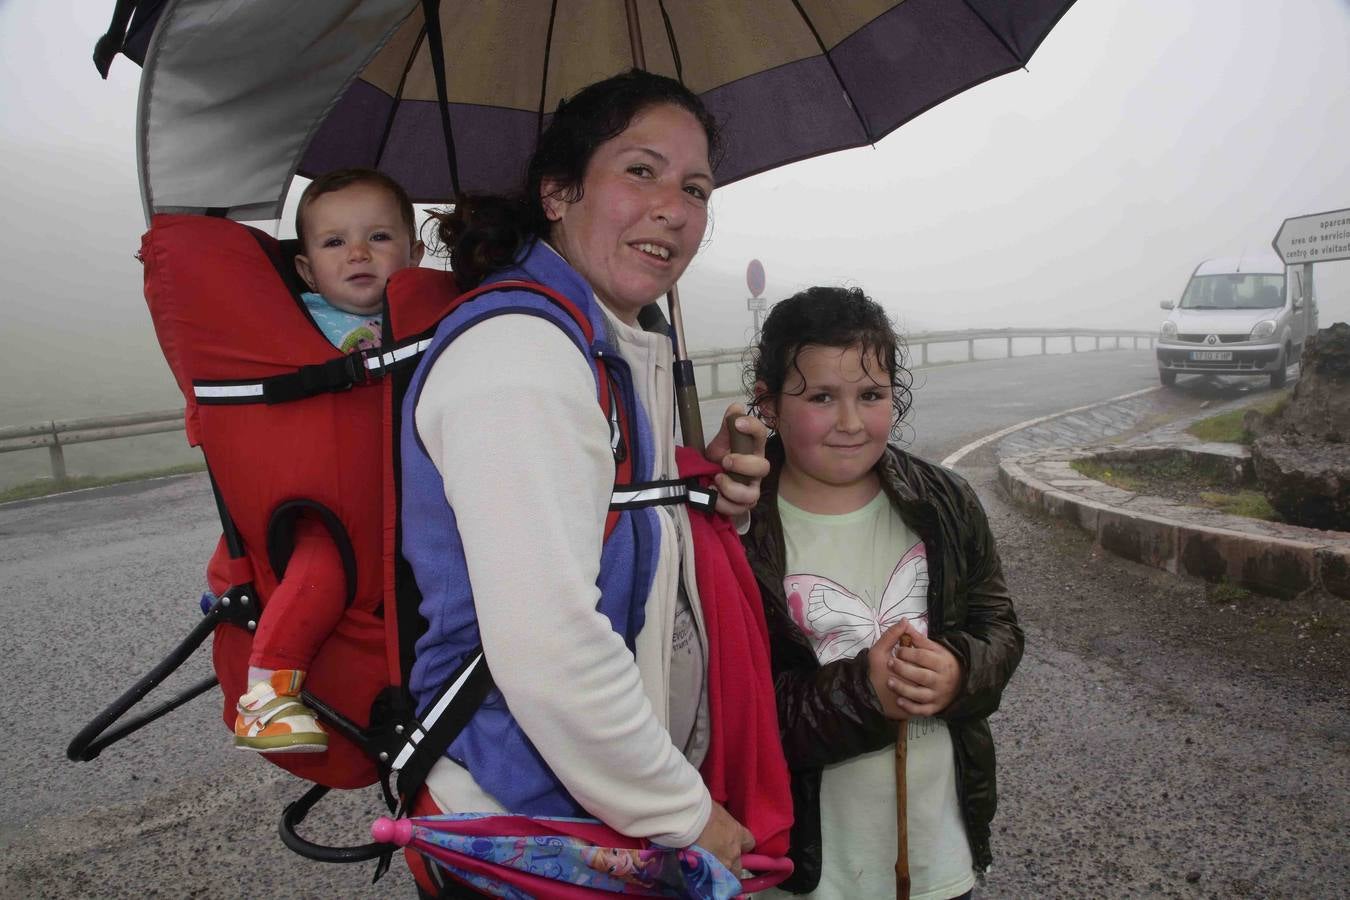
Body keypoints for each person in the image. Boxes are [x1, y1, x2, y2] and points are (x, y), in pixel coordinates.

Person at [398, 70, 770, 892]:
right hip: (531, 827)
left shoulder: (606, 342)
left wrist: (699, 496)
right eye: (641, 170)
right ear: (559, 192)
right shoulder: (522, 358)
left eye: (697, 186)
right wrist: (683, 811)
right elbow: (549, 646)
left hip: (595, 814)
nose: (674, 206)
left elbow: (613, 541)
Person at [741, 287, 1023, 899]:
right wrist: (866, 695)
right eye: (820, 397)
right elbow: (737, 710)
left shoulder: (945, 503)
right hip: (806, 870)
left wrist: (958, 672)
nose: (850, 422)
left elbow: (998, 629)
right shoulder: (741, 527)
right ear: (769, 403)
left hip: (934, 856)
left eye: (870, 396)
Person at [232, 168, 424, 752]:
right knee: (322, 572)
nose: (359, 253)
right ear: (307, 269)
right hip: (332, 499)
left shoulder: (428, 314)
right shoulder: (300, 321)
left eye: (380, 238)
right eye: (335, 242)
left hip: (411, 491)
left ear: (414, 253)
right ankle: (265, 696)